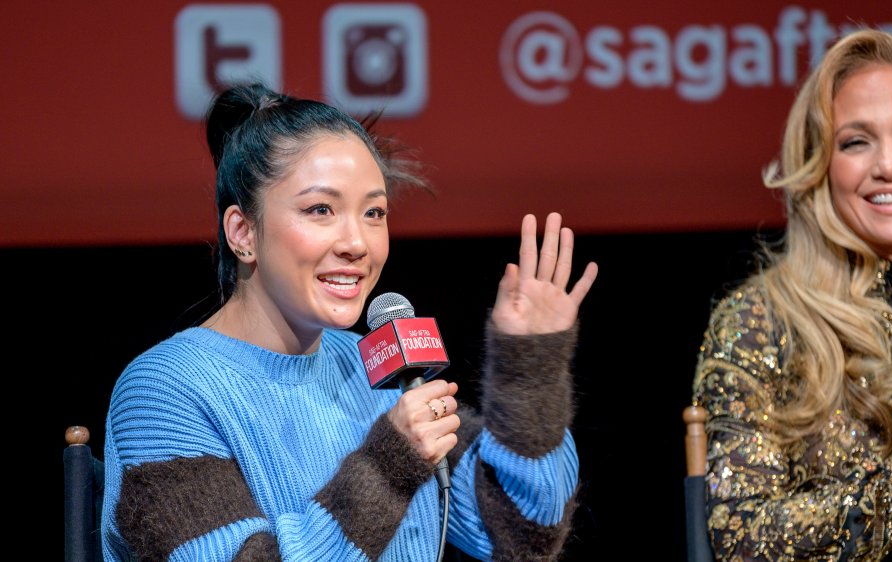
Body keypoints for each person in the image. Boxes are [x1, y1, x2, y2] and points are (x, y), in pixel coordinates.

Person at [101, 83, 598, 561]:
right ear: (243, 232)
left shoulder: (375, 364)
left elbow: (524, 538)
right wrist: (387, 466)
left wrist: (528, 375)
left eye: (374, 213)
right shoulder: (162, 394)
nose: (357, 243)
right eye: (321, 209)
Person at [691, 29, 892, 561]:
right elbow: (739, 541)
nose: (887, 165)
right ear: (821, 171)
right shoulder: (759, 322)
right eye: (856, 142)